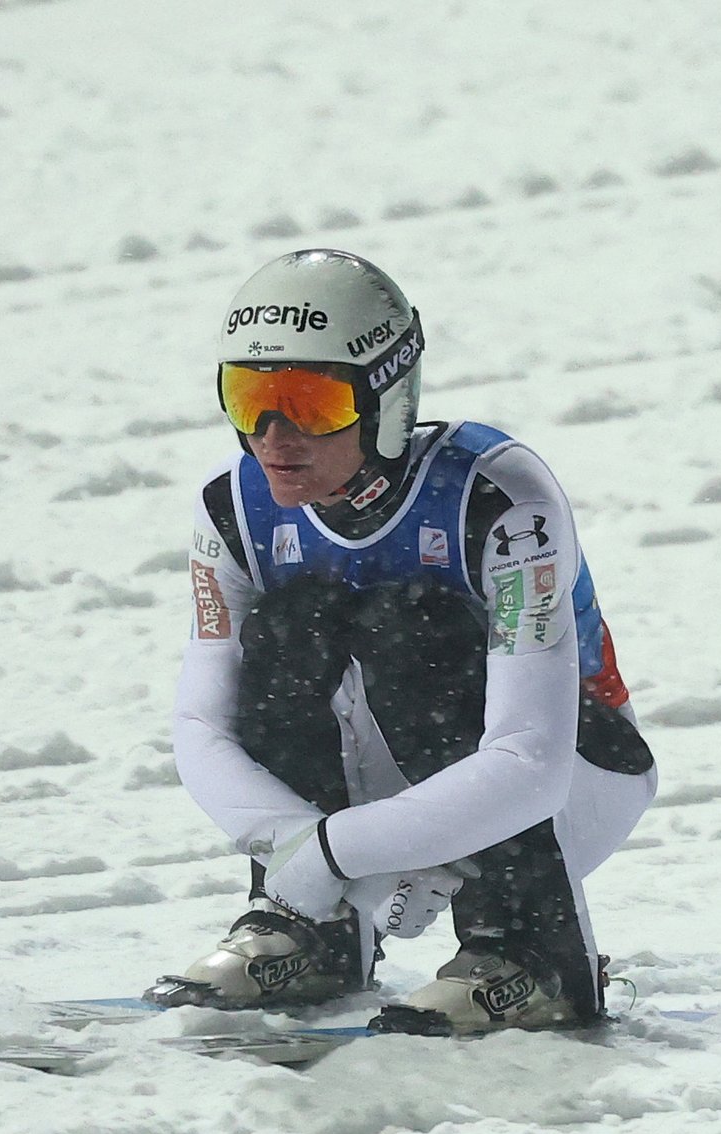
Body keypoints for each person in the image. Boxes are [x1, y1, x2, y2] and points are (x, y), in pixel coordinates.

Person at [146, 249, 658, 1034]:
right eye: (250, 400)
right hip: (384, 789)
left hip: (572, 777)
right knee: (289, 627)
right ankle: (309, 934)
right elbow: (200, 728)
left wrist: (333, 853)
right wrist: (303, 862)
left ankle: (529, 952)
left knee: (409, 626)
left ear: (386, 396)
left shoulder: (497, 495)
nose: (274, 438)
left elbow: (528, 764)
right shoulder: (233, 508)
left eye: (310, 405)